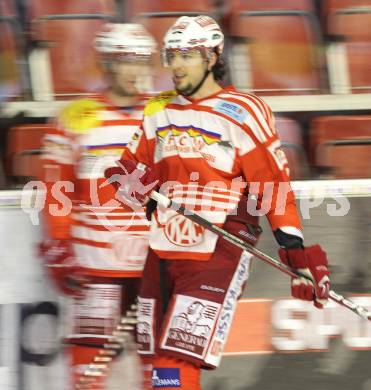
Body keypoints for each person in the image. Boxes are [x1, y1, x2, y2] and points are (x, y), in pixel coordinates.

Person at [106, 15, 331, 390]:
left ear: (212, 57)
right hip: (163, 249)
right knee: (156, 368)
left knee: (175, 361)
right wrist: (132, 185)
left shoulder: (244, 111)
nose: (175, 65)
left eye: (187, 56)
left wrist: (296, 254)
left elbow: (273, 186)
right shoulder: (158, 109)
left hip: (219, 249)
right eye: (171, 55)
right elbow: (124, 170)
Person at [38, 23, 156, 388]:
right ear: (106, 64)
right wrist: (59, 244)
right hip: (96, 271)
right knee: (88, 376)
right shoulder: (76, 116)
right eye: (125, 61)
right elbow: (56, 188)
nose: (135, 70)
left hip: (156, 270)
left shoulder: (165, 113)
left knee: (166, 374)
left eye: (142, 61)